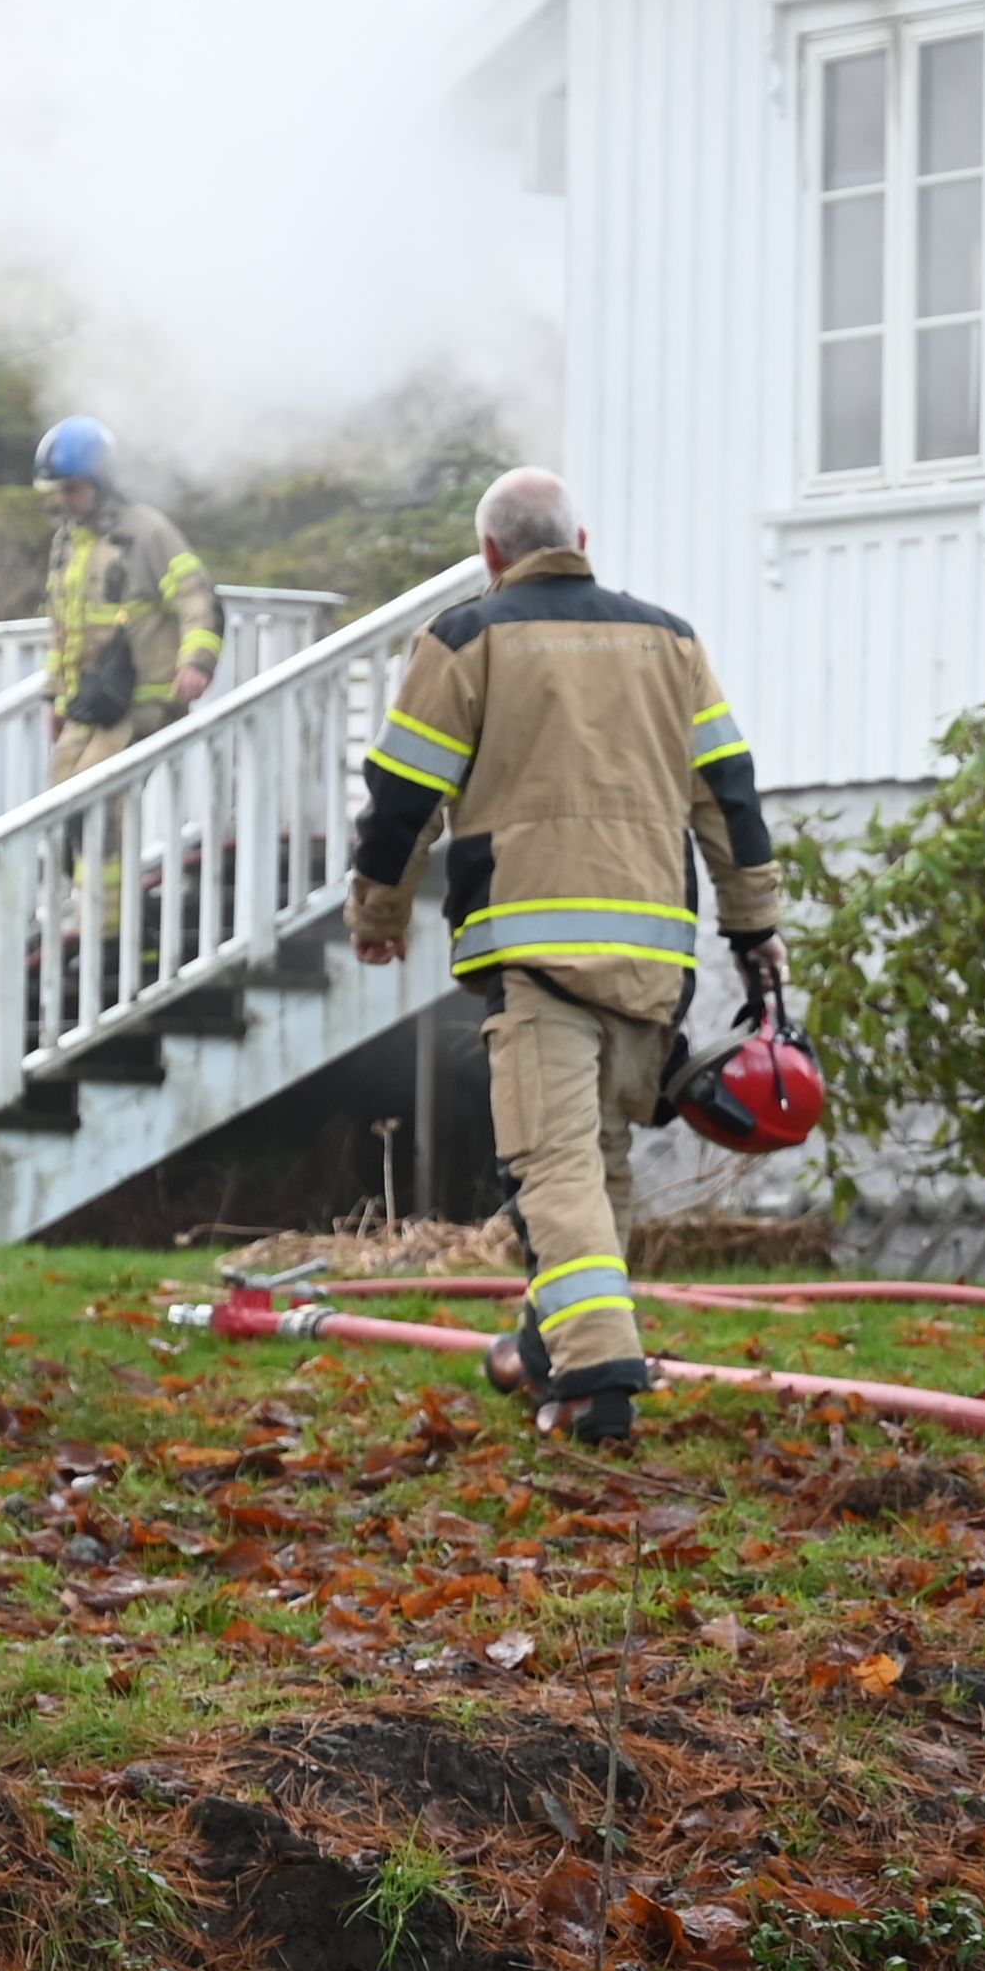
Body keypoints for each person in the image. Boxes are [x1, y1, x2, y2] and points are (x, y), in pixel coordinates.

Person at [346, 468, 785, 1446]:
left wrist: (379, 911)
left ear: (491, 554)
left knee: (554, 1163)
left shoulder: (467, 638)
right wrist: (755, 928)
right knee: (600, 1159)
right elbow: (730, 793)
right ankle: (551, 1345)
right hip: (651, 948)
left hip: (534, 945)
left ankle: (596, 1381)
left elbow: (403, 792)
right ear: (579, 536)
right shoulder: (671, 641)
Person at [34, 418, 221, 780]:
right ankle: (73, 841)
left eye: (72, 489)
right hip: (92, 702)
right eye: (59, 490)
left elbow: (196, 597)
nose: (64, 500)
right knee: (59, 797)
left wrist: (197, 662)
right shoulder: (69, 543)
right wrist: (58, 698)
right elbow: (64, 630)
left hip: (144, 700)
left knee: (94, 794)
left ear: (100, 481)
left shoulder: (147, 533)